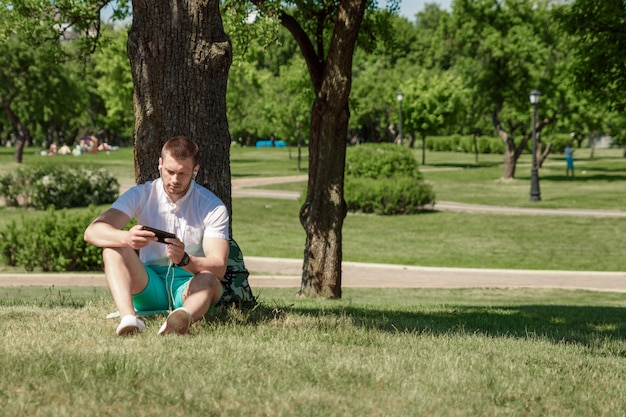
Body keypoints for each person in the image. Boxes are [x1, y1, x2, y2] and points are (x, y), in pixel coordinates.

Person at [84, 136, 230, 336]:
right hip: (148, 282)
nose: (175, 180)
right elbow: (92, 231)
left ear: (195, 171)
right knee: (112, 248)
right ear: (160, 164)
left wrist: (185, 259)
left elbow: (219, 266)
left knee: (209, 279)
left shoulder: (212, 206)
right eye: (170, 172)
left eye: (182, 173)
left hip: (189, 284)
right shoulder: (142, 194)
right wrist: (127, 238)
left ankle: (182, 318)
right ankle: (129, 318)